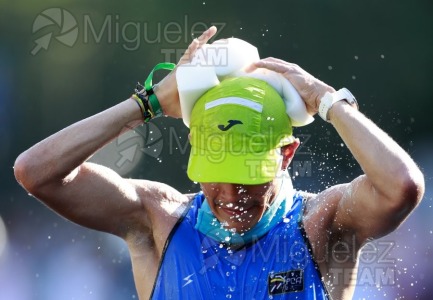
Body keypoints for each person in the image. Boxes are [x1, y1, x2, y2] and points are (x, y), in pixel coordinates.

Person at [14, 26, 424, 300]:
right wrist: (149, 102)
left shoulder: (323, 223)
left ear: (286, 154)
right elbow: (35, 172)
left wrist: (326, 100)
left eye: (247, 179)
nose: (231, 197)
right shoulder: (159, 220)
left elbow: (401, 186)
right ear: (194, 149)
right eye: (216, 177)